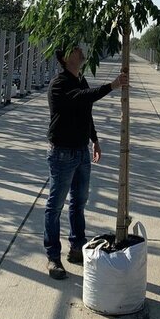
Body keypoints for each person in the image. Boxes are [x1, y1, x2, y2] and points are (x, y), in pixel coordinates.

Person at [44, 45, 128, 280]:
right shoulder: (59, 84)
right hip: (62, 153)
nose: (81, 51)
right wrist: (112, 85)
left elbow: (85, 112)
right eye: (75, 49)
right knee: (55, 206)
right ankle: (53, 257)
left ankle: (76, 246)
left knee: (79, 202)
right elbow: (81, 98)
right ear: (64, 58)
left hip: (81, 152)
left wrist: (95, 140)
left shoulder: (80, 80)